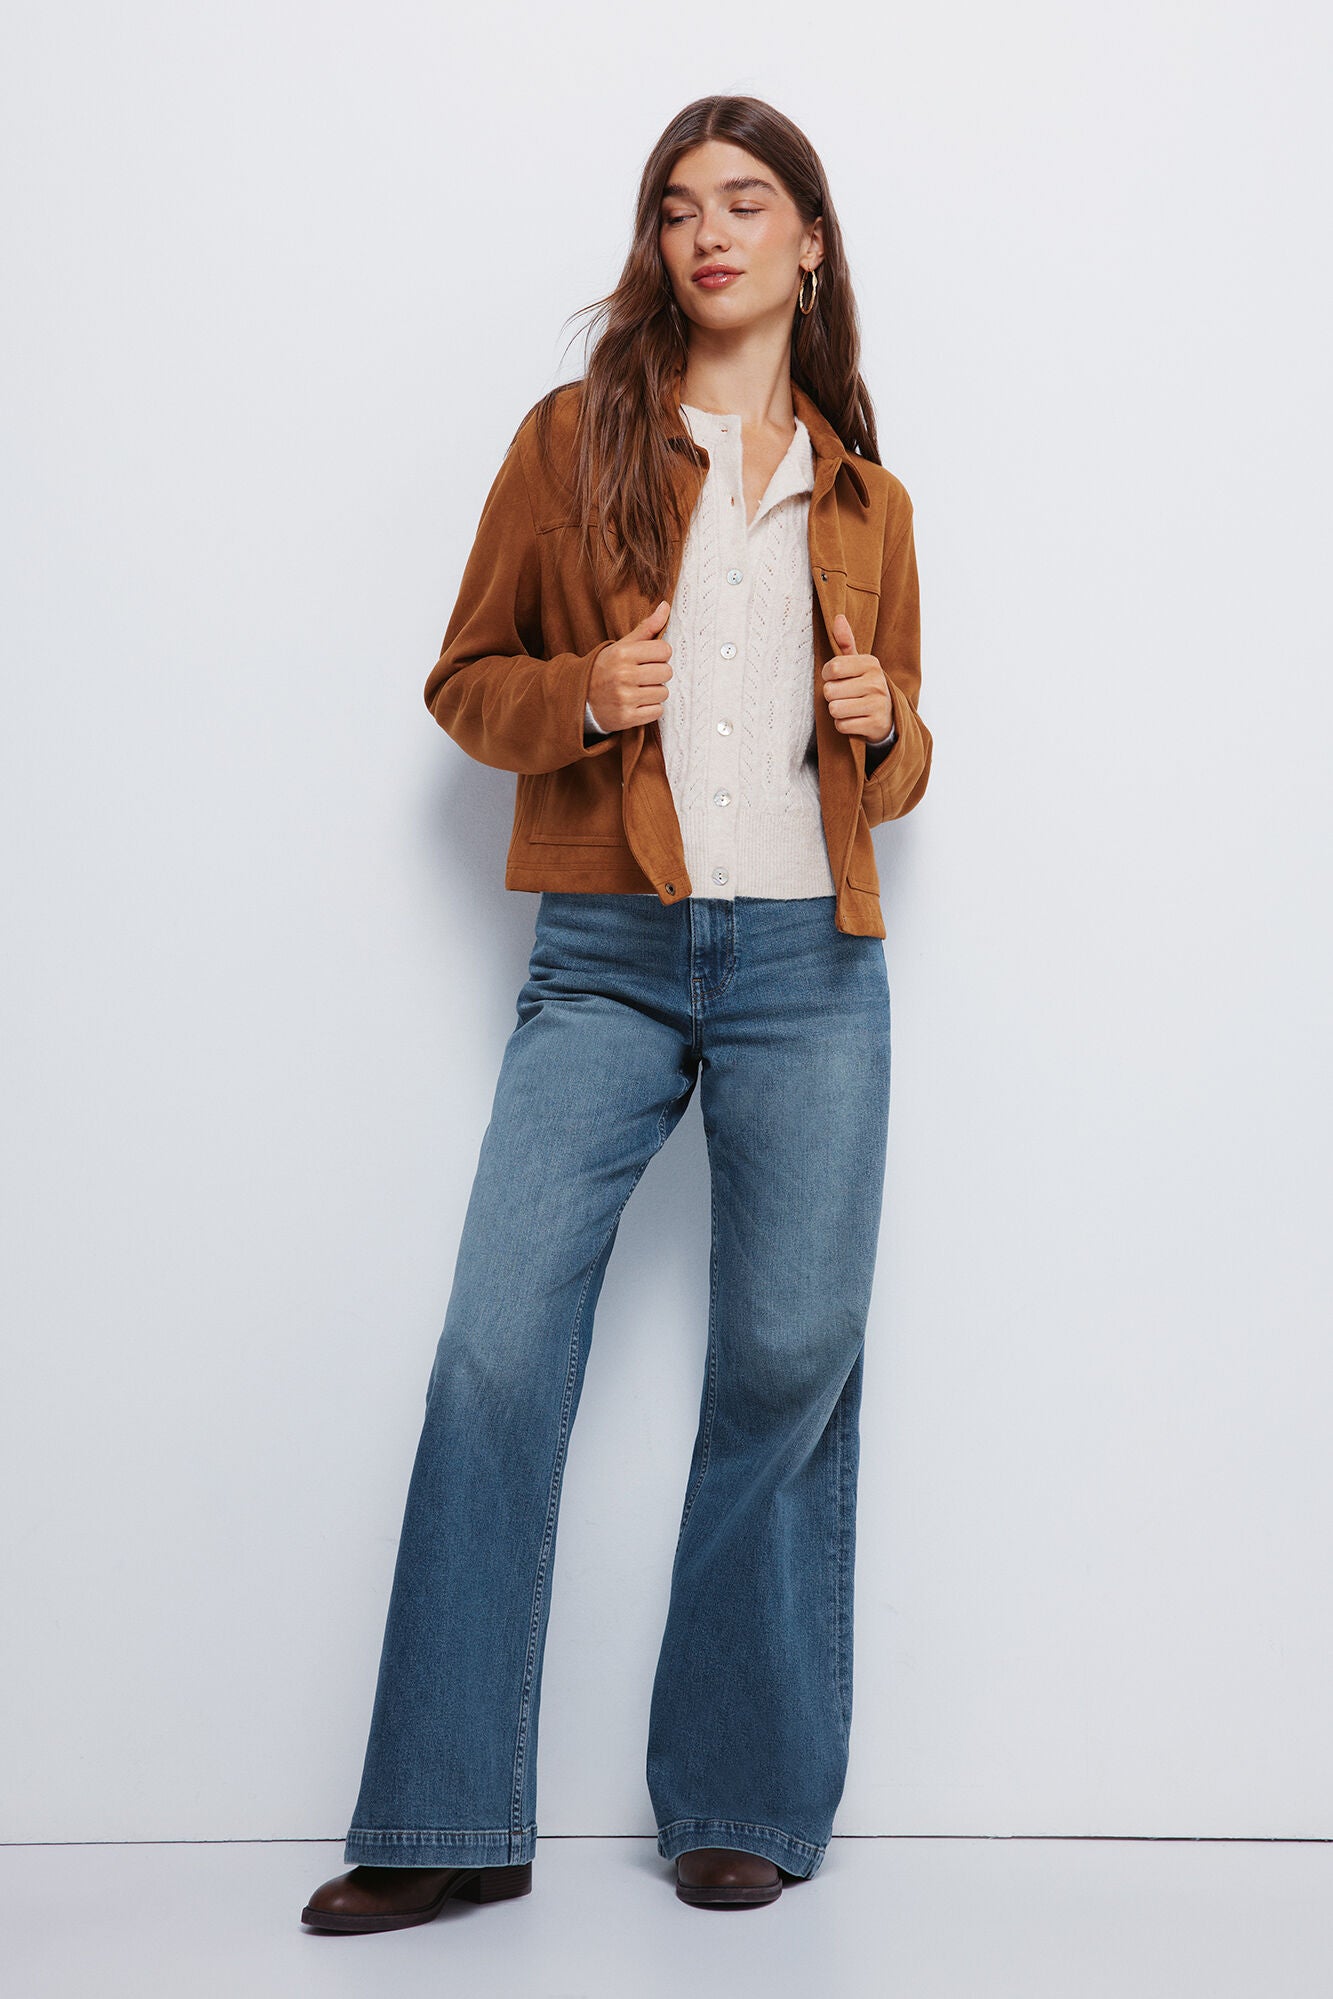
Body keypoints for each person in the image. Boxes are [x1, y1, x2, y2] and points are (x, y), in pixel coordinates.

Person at [302, 92, 932, 1930]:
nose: (706, 233)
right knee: (495, 1353)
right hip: (606, 955)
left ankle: (738, 1796)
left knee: (786, 1366)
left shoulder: (869, 499)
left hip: (810, 965)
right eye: (675, 207)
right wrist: (589, 691)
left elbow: (895, 768)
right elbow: (464, 680)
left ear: (809, 242)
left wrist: (889, 729)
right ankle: (442, 1819)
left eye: (744, 202)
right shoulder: (570, 441)